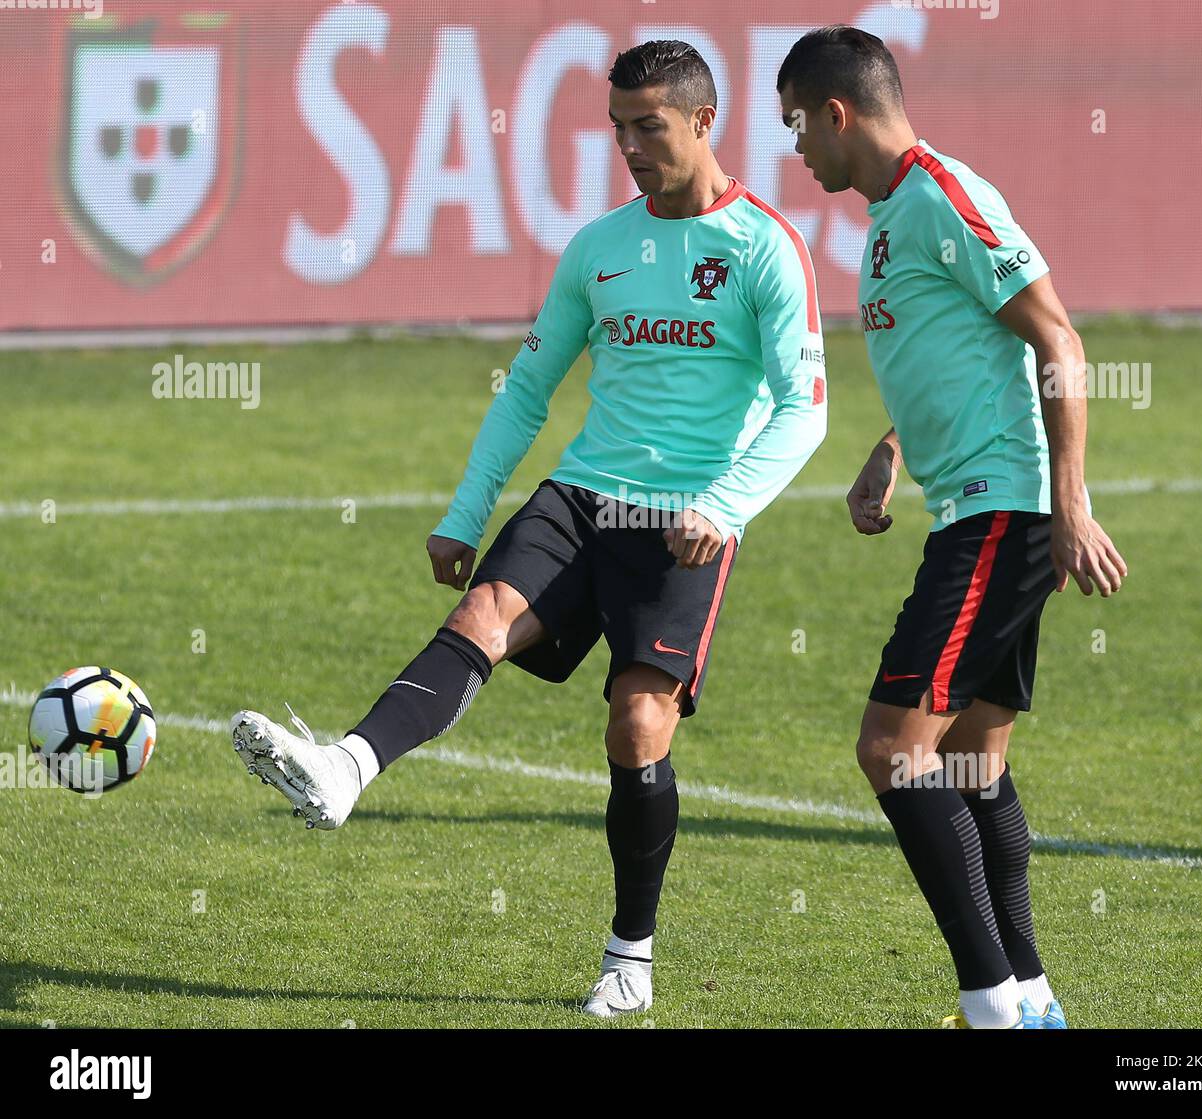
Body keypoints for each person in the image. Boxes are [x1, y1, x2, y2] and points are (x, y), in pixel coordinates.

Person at [231, 39, 827, 1019]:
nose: (631, 146)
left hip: (681, 518)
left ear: (703, 122)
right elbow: (528, 391)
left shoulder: (764, 247)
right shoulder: (599, 248)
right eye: (618, 127)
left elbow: (801, 406)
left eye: (651, 127)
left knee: (638, 726)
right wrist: (465, 509)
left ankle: (628, 960)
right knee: (481, 621)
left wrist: (724, 505)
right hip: (582, 491)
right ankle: (342, 769)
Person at [777, 25, 1127, 1029]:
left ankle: (990, 1007)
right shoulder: (895, 216)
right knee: (974, 759)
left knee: (893, 747)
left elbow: (1056, 336)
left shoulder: (943, 195)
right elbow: (959, 348)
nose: (797, 148)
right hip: (978, 510)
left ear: (837, 113)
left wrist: (1068, 502)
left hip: (1000, 516)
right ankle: (1033, 1001)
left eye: (799, 123)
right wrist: (890, 449)